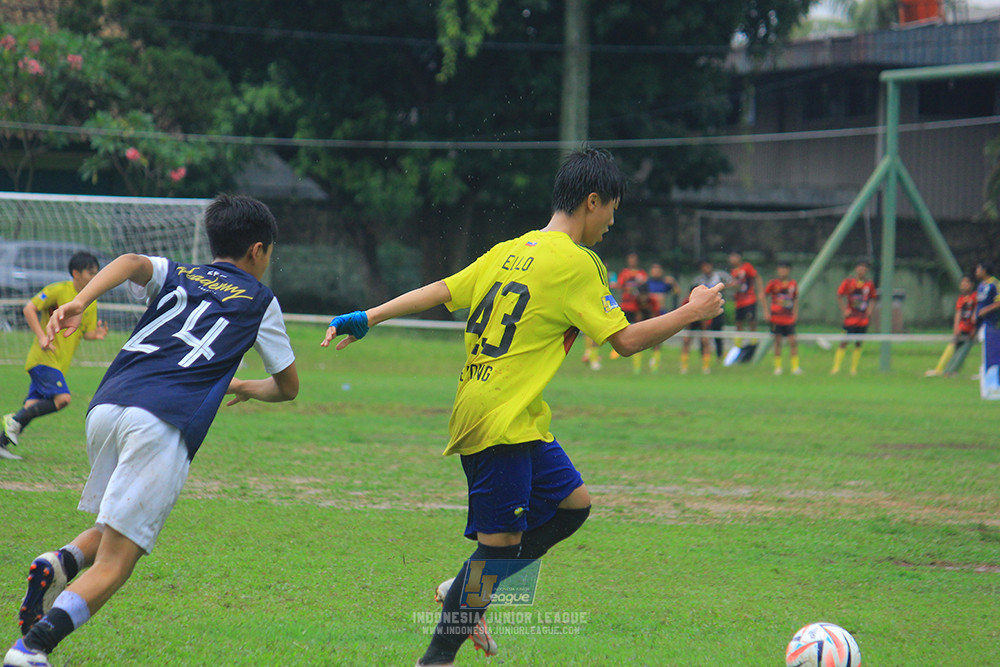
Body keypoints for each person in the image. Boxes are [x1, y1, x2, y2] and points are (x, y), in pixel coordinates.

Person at [319, 148, 724, 667]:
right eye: (611, 209)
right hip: (499, 419)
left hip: (512, 414)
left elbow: (442, 289)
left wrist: (368, 316)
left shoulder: (509, 250)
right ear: (592, 201)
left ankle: (465, 589)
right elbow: (624, 341)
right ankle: (436, 656)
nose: (612, 222)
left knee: (573, 506)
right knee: (500, 547)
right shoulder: (578, 262)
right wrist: (691, 311)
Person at [4, 194, 299, 667]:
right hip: (161, 419)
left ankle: (59, 562)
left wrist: (79, 300)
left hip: (106, 405)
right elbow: (288, 387)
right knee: (118, 562)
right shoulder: (261, 301)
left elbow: (130, 261)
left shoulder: (179, 271)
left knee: (111, 526)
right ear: (258, 250)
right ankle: (32, 648)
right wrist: (245, 385)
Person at [0, 253, 109, 461]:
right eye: (90, 273)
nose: (94, 277)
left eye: (97, 273)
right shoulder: (58, 290)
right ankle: (13, 421)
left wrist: (96, 335)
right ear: (76, 273)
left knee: (31, 406)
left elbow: (86, 332)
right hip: (43, 358)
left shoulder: (90, 301)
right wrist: (42, 337)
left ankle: (1, 442)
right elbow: (29, 308)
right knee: (63, 399)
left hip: (59, 363)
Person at [680, 258, 731, 374]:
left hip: (711, 311)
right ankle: (684, 366)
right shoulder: (697, 281)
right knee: (688, 340)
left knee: (710, 337)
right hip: (694, 316)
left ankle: (713, 361)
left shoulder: (719, 276)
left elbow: (731, 283)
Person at [831, 260, 877, 376]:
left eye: (864, 269)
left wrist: (869, 310)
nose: (862, 271)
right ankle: (836, 368)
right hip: (851, 319)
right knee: (844, 342)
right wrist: (844, 310)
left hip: (862, 319)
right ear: (856, 269)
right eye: (860, 268)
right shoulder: (848, 282)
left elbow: (873, 298)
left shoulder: (869, 284)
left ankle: (853, 369)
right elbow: (839, 295)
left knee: (859, 343)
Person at [925, 274, 977, 378]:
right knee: (953, 347)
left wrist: (975, 328)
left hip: (971, 329)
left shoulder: (975, 296)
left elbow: (976, 311)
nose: (964, 284)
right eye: (962, 282)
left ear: (972, 284)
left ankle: (952, 370)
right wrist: (956, 327)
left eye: (966, 282)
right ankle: (941, 369)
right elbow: (958, 313)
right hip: (962, 328)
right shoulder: (961, 298)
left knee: (964, 349)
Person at [613, 251, 648, 373]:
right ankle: (616, 351)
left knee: (638, 332)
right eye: (630, 259)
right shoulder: (624, 273)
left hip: (637, 307)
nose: (632, 261)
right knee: (621, 330)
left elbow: (645, 287)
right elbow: (620, 285)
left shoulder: (641, 274)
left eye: (634, 259)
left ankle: (637, 365)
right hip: (625, 305)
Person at [763, 261, 802, 375]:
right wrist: (766, 312)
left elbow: (795, 299)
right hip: (776, 318)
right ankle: (778, 367)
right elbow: (764, 296)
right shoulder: (773, 283)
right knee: (778, 342)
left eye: (785, 269)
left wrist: (795, 313)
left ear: (789, 270)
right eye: (781, 268)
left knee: (793, 341)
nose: (783, 271)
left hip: (788, 317)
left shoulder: (793, 284)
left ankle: (795, 367)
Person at [727, 250, 764, 362]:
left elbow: (757, 277)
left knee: (751, 320)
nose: (732, 259)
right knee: (738, 322)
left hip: (749, 300)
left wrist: (760, 291)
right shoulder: (733, 272)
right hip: (739, 301)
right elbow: (736, 286)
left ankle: (753, 342)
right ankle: (738, 345)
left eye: (734, 257)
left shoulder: (746, 267)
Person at [645, 262, 678, 373]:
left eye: (658, 269)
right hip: (649, 313)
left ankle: (655, 363)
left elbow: (677, 292)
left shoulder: (664, 283)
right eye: (654, 269)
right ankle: (639, 364)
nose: (656, 272)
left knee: (658, 339)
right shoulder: (647, 283)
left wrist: (673, 282)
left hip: (660, 312)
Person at [974, 261, 1000, 399]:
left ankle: (993, 387)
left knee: (993, 354)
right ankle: (987, 388)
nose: (976, 271)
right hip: (983, 325)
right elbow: (979, 304)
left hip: (993, 324)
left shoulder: (994, 284)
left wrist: (986, 310)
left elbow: (998, 302)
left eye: (978, 269)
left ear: (985, 270)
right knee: (985, 355)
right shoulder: (981, 286)